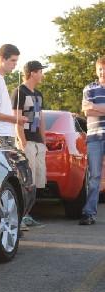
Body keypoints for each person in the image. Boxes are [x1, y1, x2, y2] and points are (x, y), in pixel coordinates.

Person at [11, 60, 49, 229]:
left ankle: (28, 214)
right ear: (33, 73)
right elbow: (17, 119)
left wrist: (44, 141)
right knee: (26, 179)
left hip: (38, 144)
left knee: (38, 179)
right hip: (26, 142)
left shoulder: (39, 94)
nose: (42, 74)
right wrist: (22, 142)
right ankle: (22, 217)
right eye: (40, 71)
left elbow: (40, 119)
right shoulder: (19, 92)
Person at [79, 57, 105, 225]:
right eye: (100, 69)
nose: (102, 72)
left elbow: (92, 108)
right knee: (94, 176)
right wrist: (95, 109)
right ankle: (89, 214)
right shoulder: (90, 88)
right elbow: (87, 112)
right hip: (95, 138)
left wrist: (95, 107)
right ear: (96, 70)